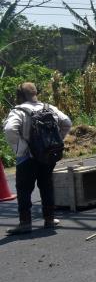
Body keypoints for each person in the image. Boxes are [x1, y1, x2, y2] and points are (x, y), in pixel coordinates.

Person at [3, 82, 72, 235]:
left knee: (24, 190)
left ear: (20, 95)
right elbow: (67, 122)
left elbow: (9, 129)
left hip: (27, 157)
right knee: (46, 185)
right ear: (35, 94)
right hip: (47, 155)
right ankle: (49, 219)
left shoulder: (18, 111)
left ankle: (25, 223)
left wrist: (22, 148)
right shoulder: (49, 108)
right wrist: (56, 142)